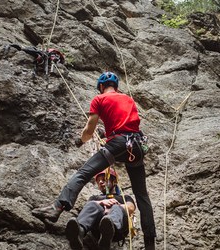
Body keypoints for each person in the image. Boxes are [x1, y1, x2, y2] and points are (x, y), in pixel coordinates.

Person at [32, 71, 156, 250]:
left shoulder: (99, 99)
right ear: (116, 87)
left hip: (118, 143)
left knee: (84, 173)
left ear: (100, 87)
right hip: (137, 146)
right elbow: (128, 123)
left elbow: (90, 130)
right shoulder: (128, 99)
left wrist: (81, 140)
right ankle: (150, 242)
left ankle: (57, 208)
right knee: (142, 195)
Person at [65, 168, 135, 250]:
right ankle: (79, 232)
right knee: (92, 204)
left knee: (116, 207)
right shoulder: (95, 198)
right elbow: (87, 208)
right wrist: (101, 202)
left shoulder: (124, 197)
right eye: (98, 181)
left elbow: (131, 207)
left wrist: (116, 206)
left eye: (104, 179)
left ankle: (110, 229)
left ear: (114, 181)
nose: (101, 182)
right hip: (98, 228)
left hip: (118, 230)